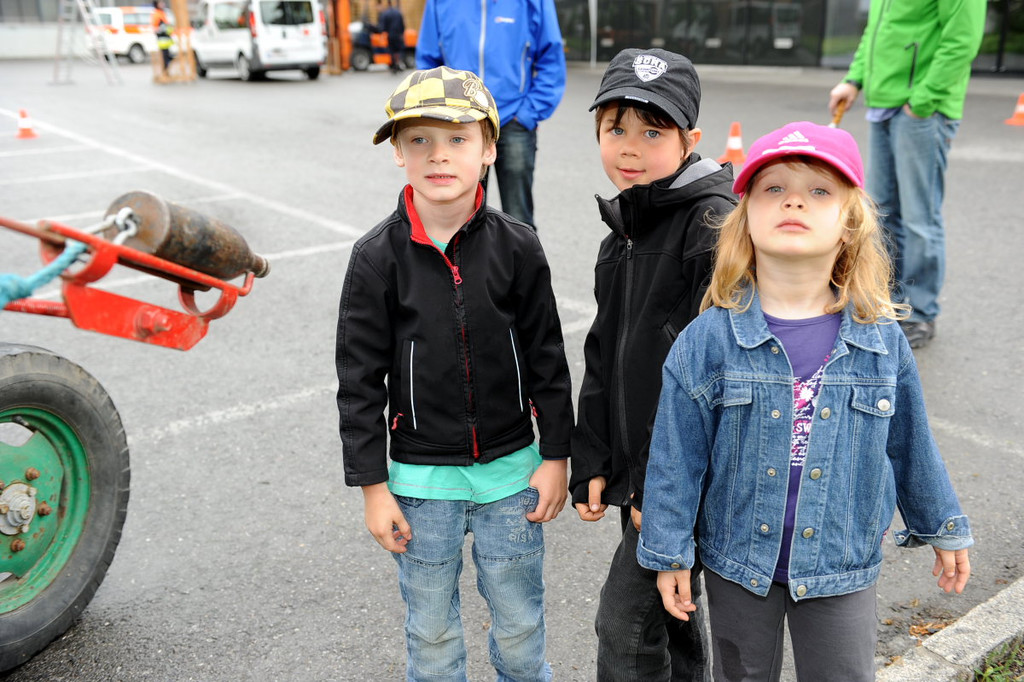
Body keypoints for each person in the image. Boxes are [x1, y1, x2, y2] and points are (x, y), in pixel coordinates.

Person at [638, 122, 973, 681]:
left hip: (841, 563)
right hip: (738, 561)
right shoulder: (708, 340)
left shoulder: (880, 340)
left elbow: (910, 442)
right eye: (773, 188)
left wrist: (941, 522)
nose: (794, 200)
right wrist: (669, 551)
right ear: (745, 219)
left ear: (849, 224)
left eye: (819, 190)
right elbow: (676, 458)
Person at [336, 66, 573, 682]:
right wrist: (373, 487)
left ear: (489, 148)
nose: (439, 155)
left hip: (512, 476)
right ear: (398, 151)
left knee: (520, 624)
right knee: (431, 630)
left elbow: (546, 356)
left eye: (458, 139)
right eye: (420, 139)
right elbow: (358, 382)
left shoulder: (518, 246)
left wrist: (556, 455)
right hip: (420, 483)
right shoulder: (375, 257)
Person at [569, 48, 736, 681]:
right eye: (616, 129)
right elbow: (605, 353)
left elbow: (708, 380)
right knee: (671, 615)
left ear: (691, 140)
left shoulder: (711, 228)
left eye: (653, 132)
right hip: (648, 472)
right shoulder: (626, 228)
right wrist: (594, 455)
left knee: (624, 626)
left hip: (680, 475)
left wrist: (654, 483)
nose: (630, 148)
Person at [827, 0, 985, 348]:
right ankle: (887, 302)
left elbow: (961, 41)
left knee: (918, 218)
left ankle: (920, 312)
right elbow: (876, 31)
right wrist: (854, 79)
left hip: (920, 110)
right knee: (881, 212)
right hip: (885, 104)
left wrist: (923, 102)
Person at [415, 0, 566, 229]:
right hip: (459, 122)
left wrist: (529, 112)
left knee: (518, 218)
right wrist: (441, 112)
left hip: (513, 119)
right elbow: (428, 61)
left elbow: (551, 57)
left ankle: (521, 254)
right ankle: (464, 254)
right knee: (461, 218)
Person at [375, 0, 405, 74]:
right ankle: (399, 63)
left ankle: (394, 65)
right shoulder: (398, 13)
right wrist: (402, 33)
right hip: (398, 35)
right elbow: (402, 25)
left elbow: (382, 28)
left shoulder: (385, 14)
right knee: (398, 50)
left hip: (390, 35)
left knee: (392, 51)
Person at [151, 0, 173, 74]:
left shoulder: (162, 13)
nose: (163, 4)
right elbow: (155, 27)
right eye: (161, 3)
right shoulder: (157, 14)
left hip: (166, 38)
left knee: (168, 55)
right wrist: (162, 29)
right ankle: (165, 71)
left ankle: (166, 71)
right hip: (162, 39)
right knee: (165, 56)